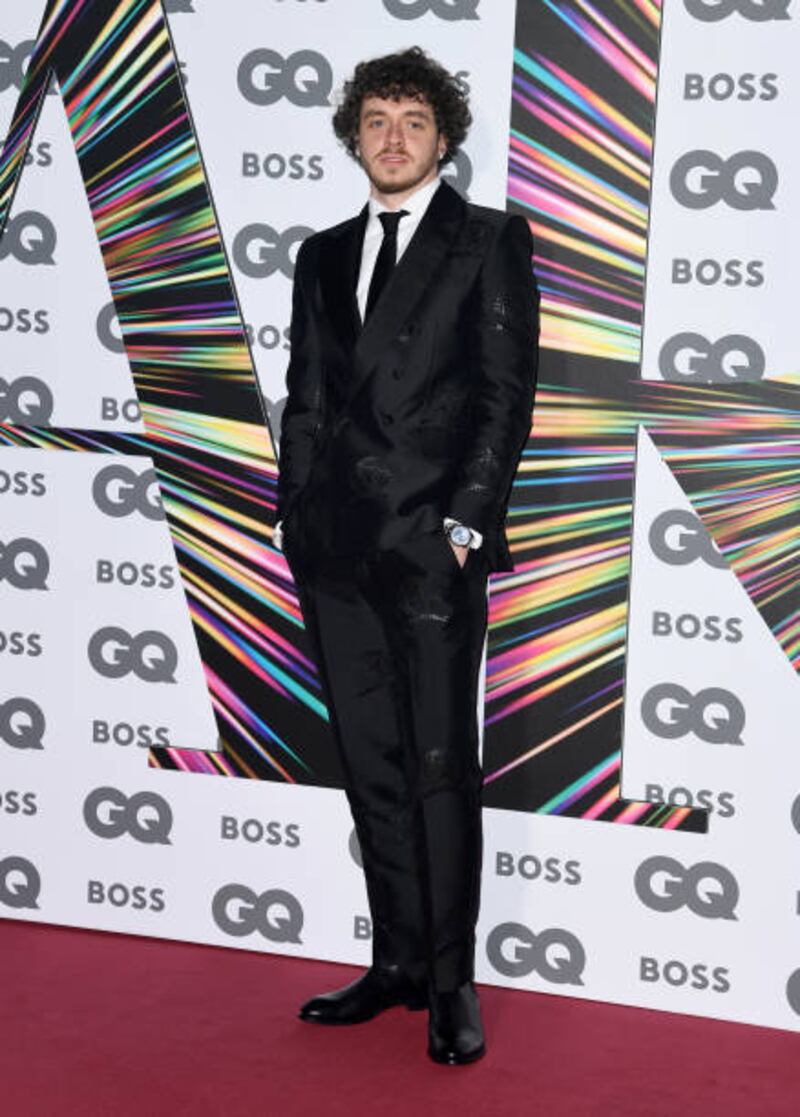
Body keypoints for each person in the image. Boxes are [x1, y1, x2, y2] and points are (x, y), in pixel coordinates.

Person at [274, 46, 539, 1065]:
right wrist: (295, 509)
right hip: (333, 547)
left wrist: (465, 523)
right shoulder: (321, 253)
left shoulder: (486, 241)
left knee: (436, 769)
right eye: (376, 119)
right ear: (354, 134)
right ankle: (392, 962)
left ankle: (449, 979)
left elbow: (502, 395)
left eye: (413, 121)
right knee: (371, 764)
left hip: (430, 546)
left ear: (443, 139)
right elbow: (304, 396)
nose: (392, 137)